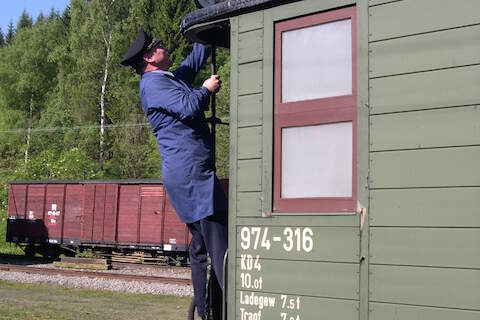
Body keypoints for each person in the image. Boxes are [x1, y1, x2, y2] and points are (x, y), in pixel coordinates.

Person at [121, 29, 227, 319]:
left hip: (187, 174)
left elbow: (193, 62)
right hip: (192, 175)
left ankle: (208, 312)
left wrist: (208, 31)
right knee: (218, 243)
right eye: (159, 46)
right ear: (148, 57)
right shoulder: (153, 85)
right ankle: (219, 311)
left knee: (201, 246)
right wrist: (206, 89)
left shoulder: (167, 78)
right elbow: (190, 107)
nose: (165, 47)